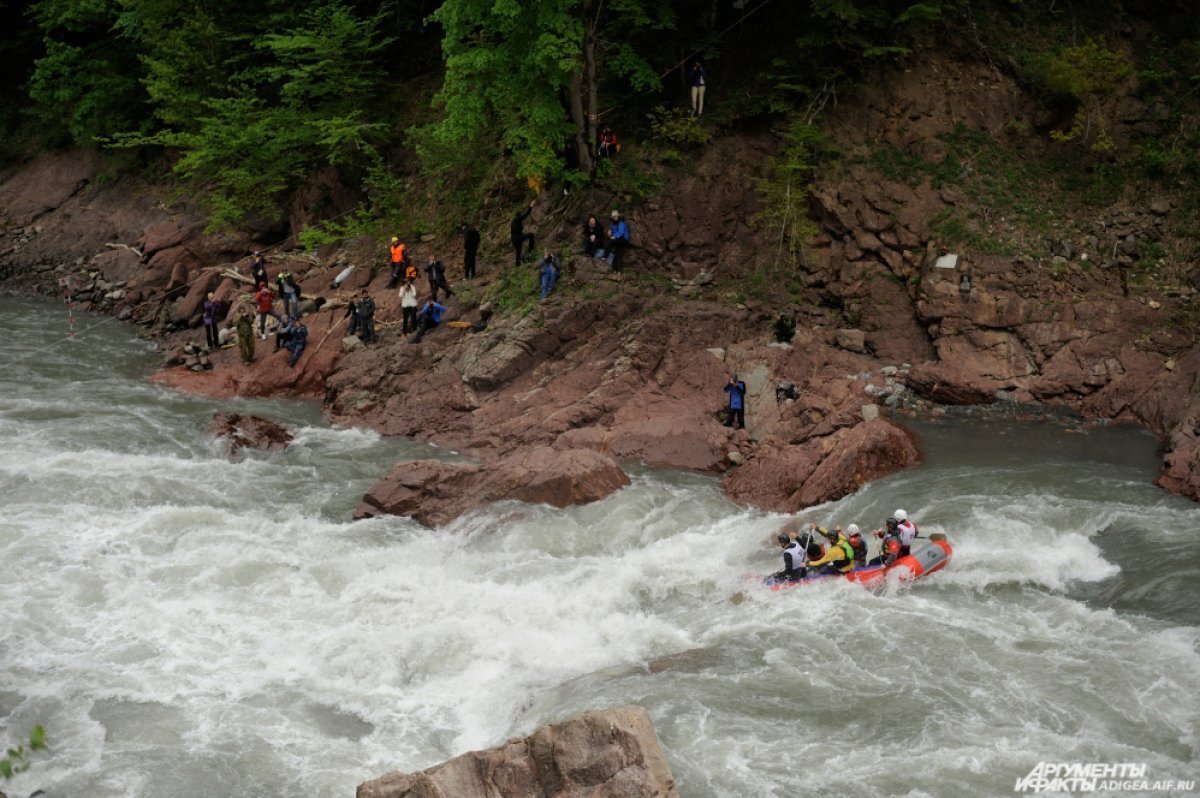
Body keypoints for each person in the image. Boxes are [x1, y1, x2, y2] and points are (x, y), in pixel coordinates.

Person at [511, 200, 536, 267]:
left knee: (518, 252)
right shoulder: (518, 219)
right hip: (518, 237)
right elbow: (527, 213)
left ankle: (517, 266)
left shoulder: (514, 221)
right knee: (531, 235)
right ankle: (531, 251)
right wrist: (531, 206)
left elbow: (517, 228)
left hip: (514, 239)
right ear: (519, 215)